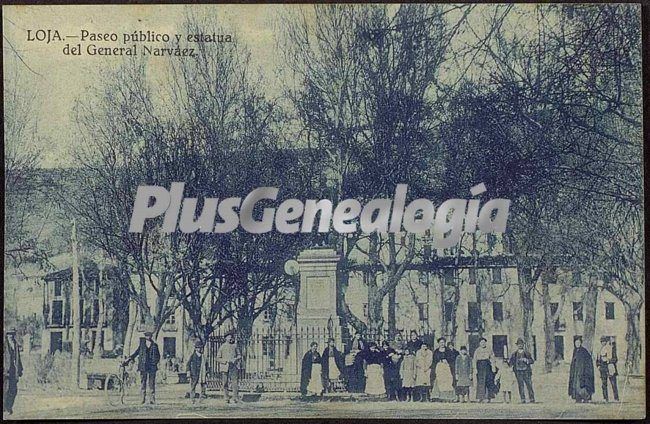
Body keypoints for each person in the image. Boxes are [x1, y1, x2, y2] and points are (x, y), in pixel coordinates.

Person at [124, 330, 161, 404]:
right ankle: (142, 399)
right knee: (143, 383)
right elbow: (136, 353)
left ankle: (152, 400)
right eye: (147, 336)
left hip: (152, 367)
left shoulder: (155, 345)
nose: (148, 337)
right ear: (145, 337)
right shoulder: (141, 345)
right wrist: (130, 358)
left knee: (151, 383)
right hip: (143, 366)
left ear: (151, 336)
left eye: (149, 335)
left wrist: (155, 362)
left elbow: (158, 356)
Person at [217, 332, 242, 404]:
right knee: (225, 383)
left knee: (235, 382)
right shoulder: (222, 347)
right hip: (225, 367)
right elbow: (218, 358)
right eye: (228, 337)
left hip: (233, 366)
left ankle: (235, 398)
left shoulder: (235, 346)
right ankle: (226, 397)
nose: (230, 338)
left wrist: (235, 359)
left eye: (231, 337)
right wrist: (225, 361)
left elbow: (239, 355)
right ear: (225, 338)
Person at [568, 337, 595, 403]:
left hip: (582, 372)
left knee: (582, 385)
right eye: (576, 342)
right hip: (576, 372)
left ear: (581, 343)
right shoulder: (575, 351)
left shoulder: (584, 351)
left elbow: (588, 361)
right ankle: (578, 398)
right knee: (575, 386)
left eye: (578, 342)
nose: (577, 344)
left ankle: (586, 398)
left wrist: (585, 371)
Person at [509, 338, 535, 403]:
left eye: (521, 344)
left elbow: (532, 361)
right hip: (518, 371)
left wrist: (527, 360)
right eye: (518, 344)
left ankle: (531, 398)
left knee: (529, 384)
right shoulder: (514, 354)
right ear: (517, 345)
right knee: (520, 385)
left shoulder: (527, 353)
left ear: (523, 345)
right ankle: (522, 399)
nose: (520, 345)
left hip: (526, 371)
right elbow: (510, 363)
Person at [3, 328, 23, 415]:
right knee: (6, 390)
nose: (11, 336)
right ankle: (6, 408)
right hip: (5, 371)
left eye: (12, 334)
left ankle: (9, 407)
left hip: (14, 370)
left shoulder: (15, 344)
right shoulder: (4, 344)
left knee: (14, 390)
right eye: (9, 334)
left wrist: (20, 369)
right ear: (6, 335)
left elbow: (18, 358)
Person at [473, 337, 497, 402]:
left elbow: (492, 358)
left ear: (485, 343)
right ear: (479, 343)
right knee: (480, 382)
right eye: (481, 342)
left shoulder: (489, 350)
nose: (483, 343)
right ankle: (480, 397)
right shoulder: (477, 350)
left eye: (484, 342)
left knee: (489, 381)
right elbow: (474, 360)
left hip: (487, 366)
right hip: (480, 367)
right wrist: (475, 368)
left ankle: (489, 397)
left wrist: (493, 367)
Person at [596, 336, 619, 402]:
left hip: (610, 367)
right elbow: (597, 360)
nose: (603, 343)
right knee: (604, 384)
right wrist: (598, 366)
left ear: (607, 342)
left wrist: (609, 361)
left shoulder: (611, 349)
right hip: (603, 368)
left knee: (613, 383)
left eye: (605, 341)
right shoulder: (599, 350)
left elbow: (615, 359)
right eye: (602, 342)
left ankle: (616, 398)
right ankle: (605, 398)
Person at [431, 337, 455, 401]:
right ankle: (439, 396)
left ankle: (447, 397)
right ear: (438, 343)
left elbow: (452, 359)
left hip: (446, 368)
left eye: (443, 342)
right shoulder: (436, 351)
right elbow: (434, 361)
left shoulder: (448, 351)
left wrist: (447, 360)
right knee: (439, 381)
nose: (442, 344)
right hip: (439, 368)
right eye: (440, 342)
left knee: (447, 381)